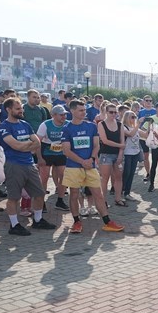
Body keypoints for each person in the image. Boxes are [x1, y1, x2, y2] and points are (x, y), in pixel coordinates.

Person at [62, 100, 125, 234]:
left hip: (90, 166)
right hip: (73, 166)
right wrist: (82, 161)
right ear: (72, 111)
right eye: (81, 110)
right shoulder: (67, 128)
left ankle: (107, 222)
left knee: (98, 194)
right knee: (74, 194)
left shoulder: (91, 126)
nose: (84, 112)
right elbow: (66, 151)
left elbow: (96, 145)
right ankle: (76, 222)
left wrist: (90, 159)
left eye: (84, 110)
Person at [0, 98, 57, 235]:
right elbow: (16, 146)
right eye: (17, 109)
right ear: (8, 110)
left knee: (39, 194)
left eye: (21, 108)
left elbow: (37, 143)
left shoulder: (25, 124)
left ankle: (38, 220)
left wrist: (25, 147)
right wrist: (27, 146)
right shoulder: (4, 127)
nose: (21, 111)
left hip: (29, 164)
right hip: (13, 165)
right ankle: (14, 225)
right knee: (14, 197)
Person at [38, 105, 70, 211]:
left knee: (64, 176)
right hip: (46, 152)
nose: (64, 117)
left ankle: (60, 200)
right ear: (54, 115)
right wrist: (39, 158)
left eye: (65, 114)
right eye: (61, 115)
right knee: (44, 177)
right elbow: (37, 142)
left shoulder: (68, 124)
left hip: (61, 153)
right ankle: (41, 202)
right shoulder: (45, 125)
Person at [97, 102, 126, 207]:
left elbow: (123, 141)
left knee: (118, 178)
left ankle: (118, 199)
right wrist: (120, 146)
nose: (113, 114)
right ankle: (103, 201)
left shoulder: (120, 124)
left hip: (117, 154)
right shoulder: (101, 124)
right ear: (106, 112)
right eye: (111, 112)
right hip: (106, 154)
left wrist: (120, 154)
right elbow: (105, 140)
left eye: (115, 112)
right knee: (105, 178)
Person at [119, 111, 143, 202]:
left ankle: (127, 193)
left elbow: (145, 134)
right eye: (132, 117)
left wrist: (150, 126)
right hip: (127, 153)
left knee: (131, 173)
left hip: (135, 153)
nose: (134, 119)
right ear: (126, 118)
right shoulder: (123, 127)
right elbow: (130, 134)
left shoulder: (134, 127)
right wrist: (138, 124)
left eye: (135, 117)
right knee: (126, 173)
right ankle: (120, 191)